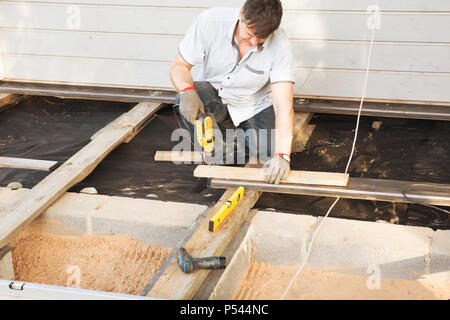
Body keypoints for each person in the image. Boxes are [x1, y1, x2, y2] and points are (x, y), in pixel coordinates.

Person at [170, 0, 296, 184]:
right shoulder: (210, 22)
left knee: (267, 160)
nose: (253, 42)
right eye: (249, 33)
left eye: (261, 38)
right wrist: (186, 91)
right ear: (240, 14)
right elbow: (179, 65)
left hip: (254, 104)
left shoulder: (281, 46)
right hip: (214, 95)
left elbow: (283, 105)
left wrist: (283, 155)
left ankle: (238, 142)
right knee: (184, 99)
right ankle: (216, 154)